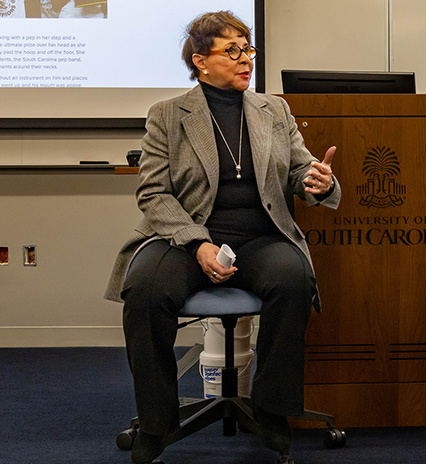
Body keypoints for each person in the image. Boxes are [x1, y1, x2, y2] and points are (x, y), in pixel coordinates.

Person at [104, 10, 340, 464]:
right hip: (183, 236)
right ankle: (156, 422)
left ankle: (271, 411)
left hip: (260, 236)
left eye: (248, 48)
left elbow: (297, 170)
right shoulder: (168, 115)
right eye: (231, 50)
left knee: (293, 280)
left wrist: (318, 183)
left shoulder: (275, 110)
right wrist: (199, 243)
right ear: (200, 61)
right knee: (147, 292)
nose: (245, 59)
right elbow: (153, 192)